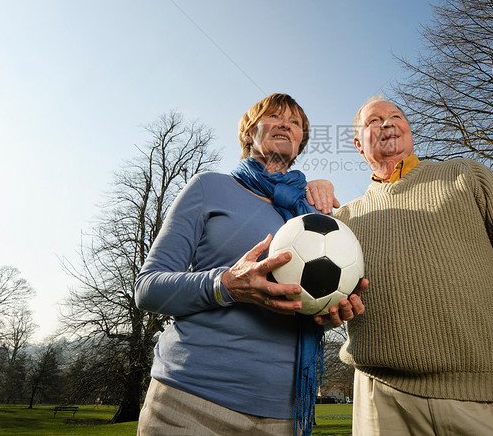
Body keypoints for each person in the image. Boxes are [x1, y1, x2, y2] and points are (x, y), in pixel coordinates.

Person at [134, 93, 366, 436]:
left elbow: (305, 304)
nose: (286, 123)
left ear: (300, 142)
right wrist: (225, 285)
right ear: (249, 133)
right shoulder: (209, 187)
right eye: (273, 116)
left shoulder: (315, 216)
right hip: (191, 401)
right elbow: (147, 288)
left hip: (283, 415)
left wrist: (329, 314)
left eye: (296, 122)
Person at [334, 96, 493, 436]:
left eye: (396, 115)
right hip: (379, 402)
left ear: (409, 130)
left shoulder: (467, 176)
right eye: (373, 121)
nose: (387, 123)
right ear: (358, 144)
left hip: (488, 397)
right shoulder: (343, 219)